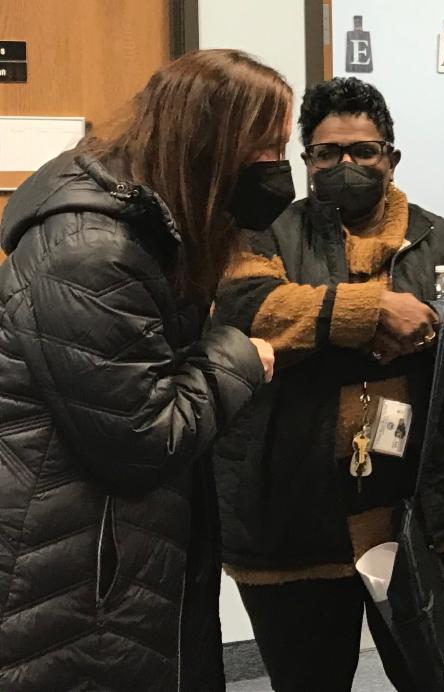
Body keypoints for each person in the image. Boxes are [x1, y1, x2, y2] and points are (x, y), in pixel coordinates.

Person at [213, 76, 444, 692]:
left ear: (391, 157)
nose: (345, 165)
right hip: (295, 510)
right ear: (305, 160)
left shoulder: (439, 238)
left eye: (362, 151)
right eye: (326, 153)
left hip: (426, 508)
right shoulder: (267, 231)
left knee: (442, 675)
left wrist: (438, 326)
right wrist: (369, 313)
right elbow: (249, 309)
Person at [0, 49, 289, 691]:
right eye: (266, 151)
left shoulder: (153, 229)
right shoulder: (92, 254)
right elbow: (142, 439)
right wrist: (240, 355)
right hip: (74, 563)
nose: (278, 170)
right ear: (209, 145)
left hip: (112, 548)